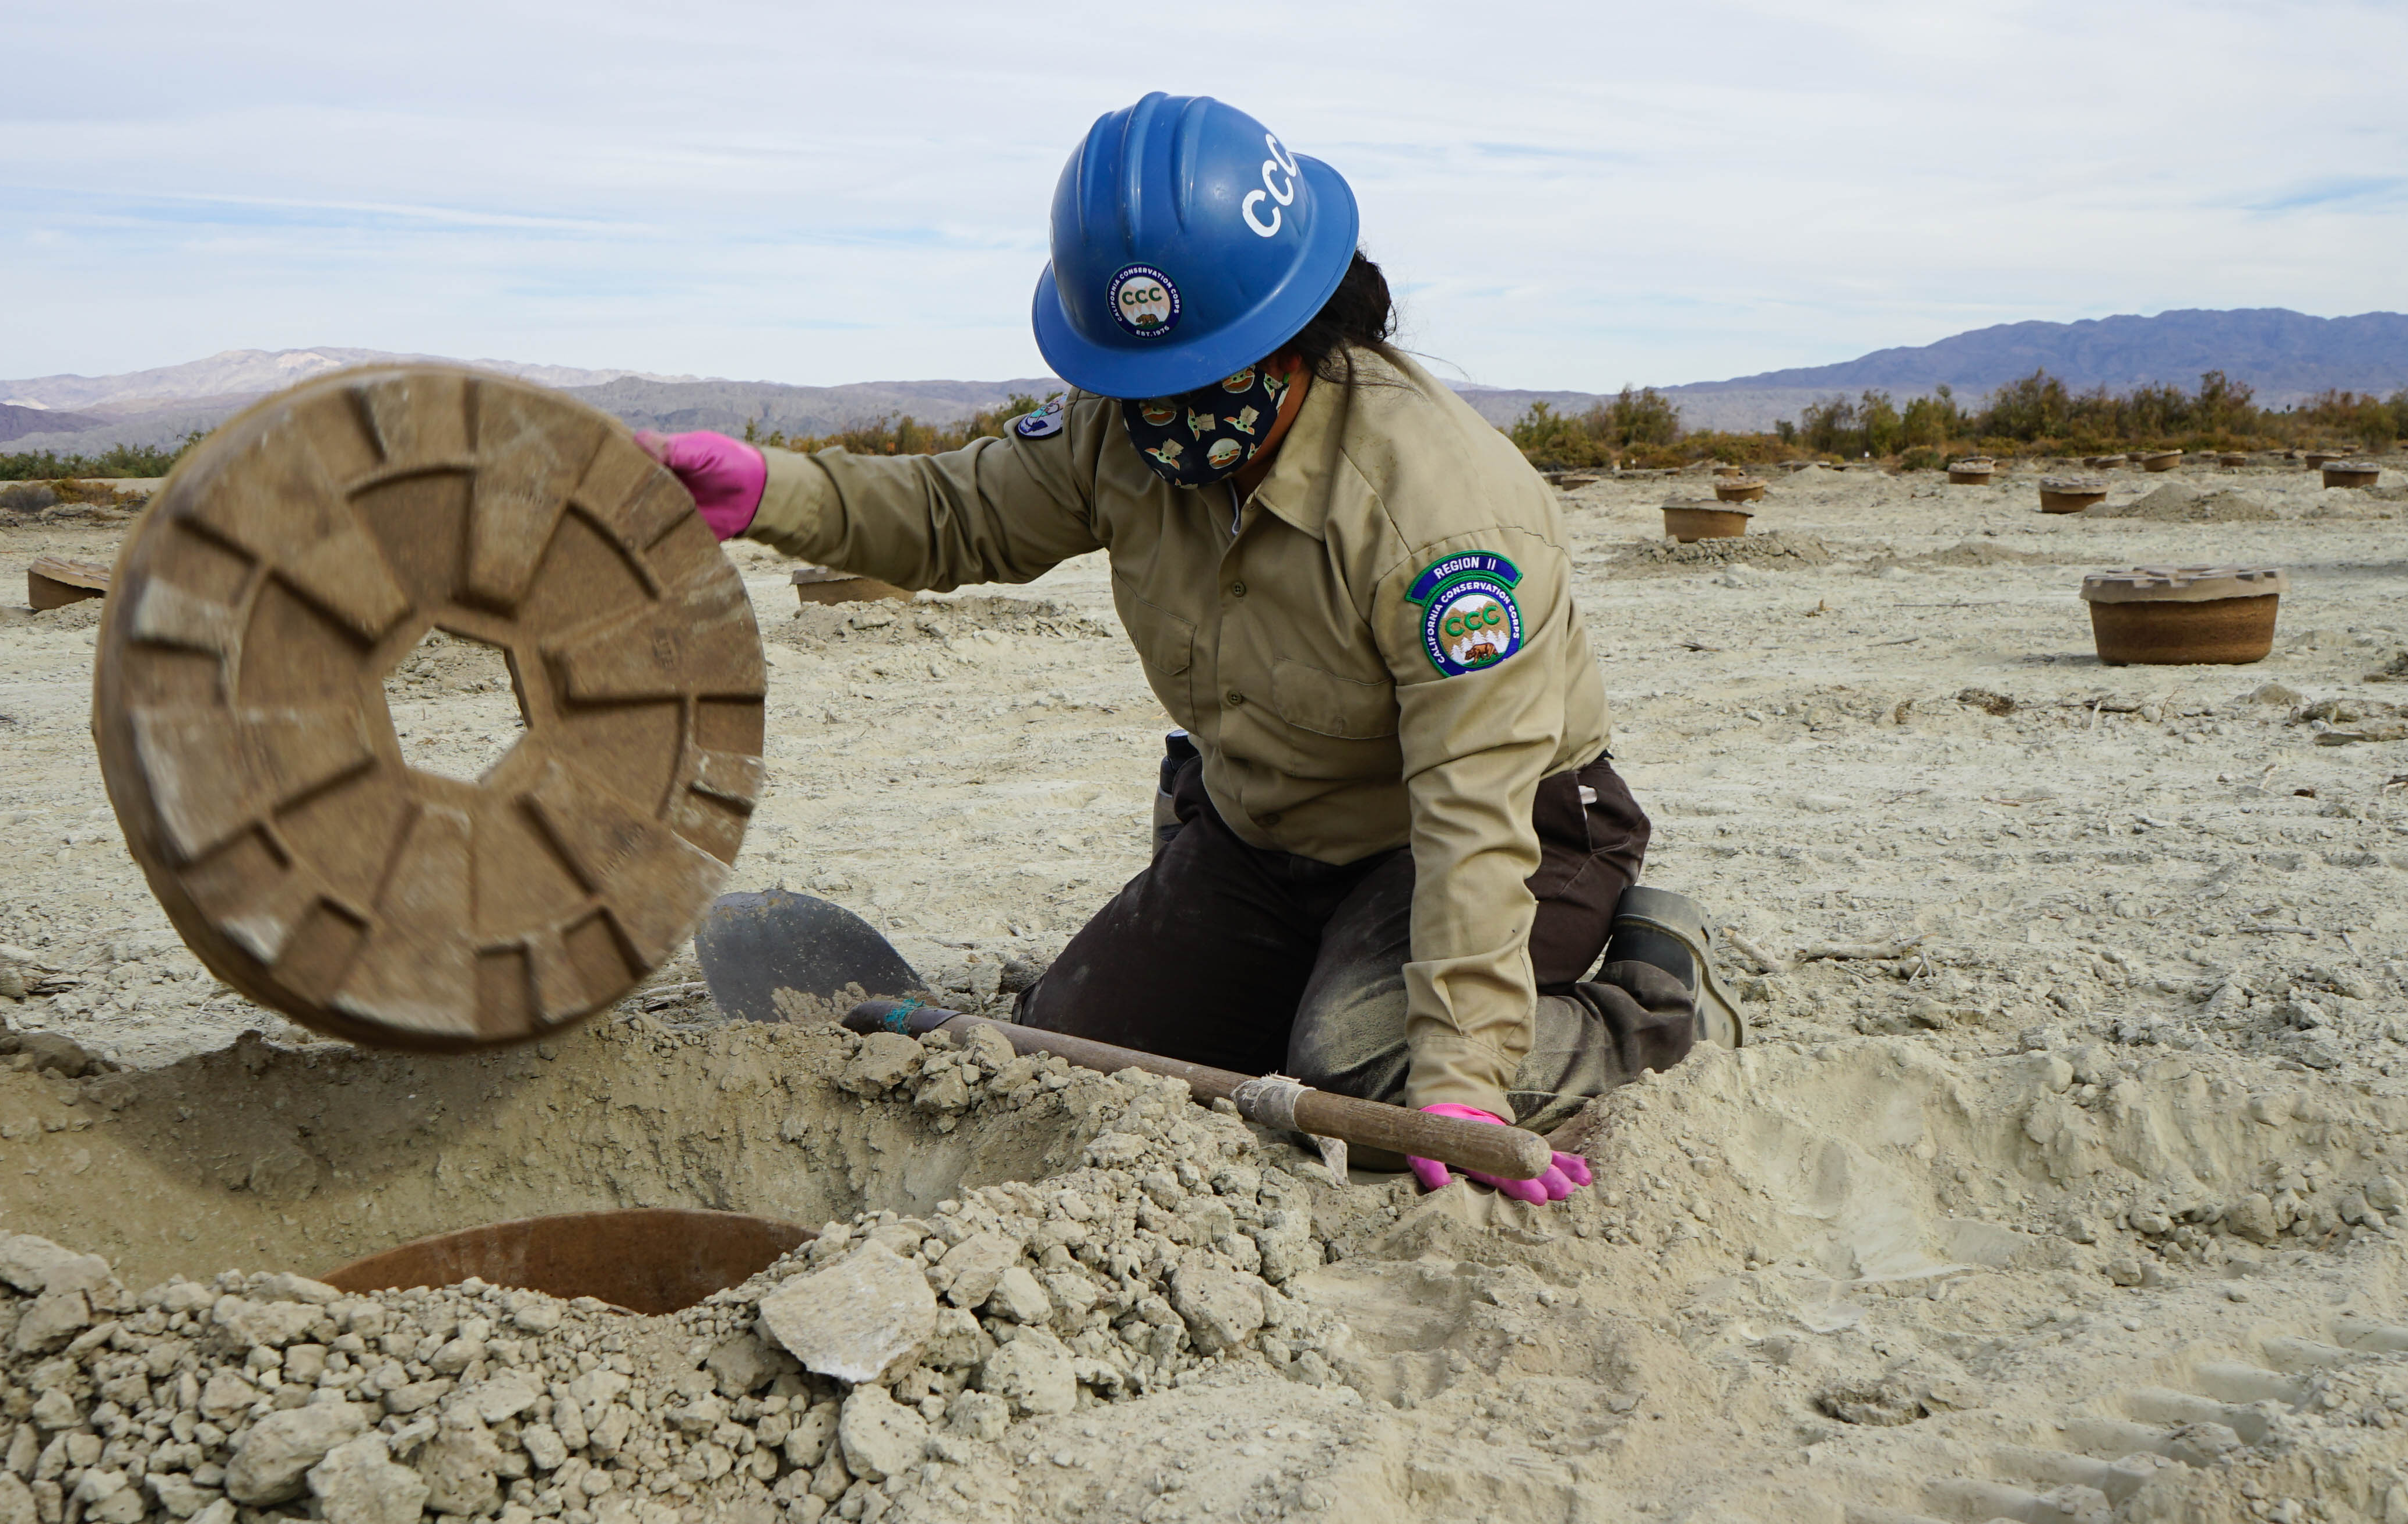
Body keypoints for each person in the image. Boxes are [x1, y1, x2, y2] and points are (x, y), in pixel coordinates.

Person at [639, 92, 1734, 1205]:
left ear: (1298, 327)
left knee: (1360, 1064)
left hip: (1499, 831)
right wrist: (772, 487)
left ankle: (1656, 988)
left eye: (1201, 374)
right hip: (1271, 834)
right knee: (1066, 1041)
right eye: (1135, 382)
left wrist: (1457, 1080)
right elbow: (949, 511)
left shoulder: (1441, 518)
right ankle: (1322, 977)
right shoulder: (1117, 430)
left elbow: (1472, 811)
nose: (1159, 413)